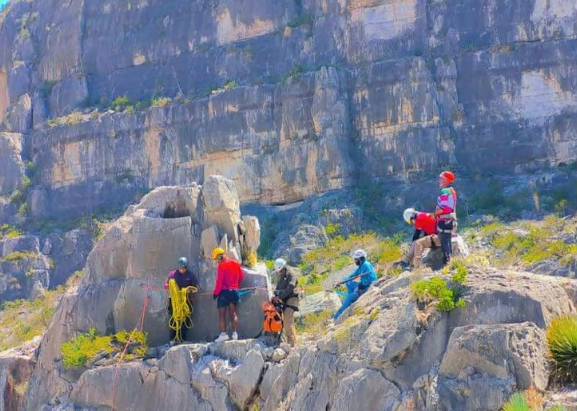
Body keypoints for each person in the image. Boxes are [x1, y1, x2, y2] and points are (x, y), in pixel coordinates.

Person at [333, 249, 377, 320]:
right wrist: (341, 282)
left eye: (356, 259)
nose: (355, 261)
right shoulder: (361, 266)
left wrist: (363, 284)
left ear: (361, 259)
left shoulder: (366, 265)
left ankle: (336, 317)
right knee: (348, 282)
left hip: (367, 287)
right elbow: (352, 275)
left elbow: (372, 277)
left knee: (349, 298)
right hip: (362, 285)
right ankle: (352, 296)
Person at [164, 257, 199, 344]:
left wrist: (189, 290)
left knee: (185, 319)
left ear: (186, 267)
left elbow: (196, 288)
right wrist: (169, 286)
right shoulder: (172, 274)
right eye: (181, 268)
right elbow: (166, 285)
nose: (182, 270)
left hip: (186, 301)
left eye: (184, 268)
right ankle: (172, 339)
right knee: (174, 318)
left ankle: (182, 339)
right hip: (174, 301)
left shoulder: (190, 275)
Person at [212, 247, 244, 342]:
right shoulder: (236, 263)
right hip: (235, 291)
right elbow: (241, 276)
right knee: (233, 313)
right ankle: (235, 334)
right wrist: (235, 284)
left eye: (216, 259)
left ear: (219, 256)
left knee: (222, 314)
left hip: (224, 292)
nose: (216, 261)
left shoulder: (221, 266)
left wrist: (215, 293)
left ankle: (223, 334)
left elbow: (219, 282)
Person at [272, 258, 299, 347]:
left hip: (291, 299)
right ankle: (289, 341)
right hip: (284, 300)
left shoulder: (291, 274)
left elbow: (291, 287)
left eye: (280, 271)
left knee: (288, 320)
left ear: (284, 268)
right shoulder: (281, 276)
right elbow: (278, 288)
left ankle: (292, 344)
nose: (279, 273)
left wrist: (279, 297)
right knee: (283, 321)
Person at [436, 171, 458, 265]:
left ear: (446, 180)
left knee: (444, 242)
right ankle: (450, 263)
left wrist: (433, 215)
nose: (439, 180)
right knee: (447, 241)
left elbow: (444, 208)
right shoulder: (452, 190)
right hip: (450, 220)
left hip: (444, 221)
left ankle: (447, 264)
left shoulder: (445, 191)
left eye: (441, 178)